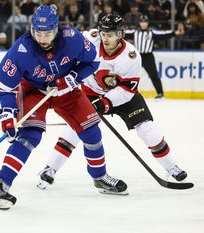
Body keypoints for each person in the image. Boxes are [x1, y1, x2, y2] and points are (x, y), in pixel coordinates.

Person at [0, 5, 128, 210]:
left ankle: (100, 177)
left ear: (56, 29)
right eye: (38, 33)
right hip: (33, 90)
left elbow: (93, 60)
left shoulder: (72, 38)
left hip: (65, 90)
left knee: (92, 132)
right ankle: (0, 187)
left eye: (47, 33)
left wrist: (72, 78)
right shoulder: (21, 49)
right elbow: (4, 87)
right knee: (29, 136)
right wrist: (7, 114)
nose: (42, 38)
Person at [37, 14, 188, 190]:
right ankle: (50, 169)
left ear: (121, 34)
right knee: (74, 128)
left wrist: (106, 102)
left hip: (123, 96)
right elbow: (66, 39)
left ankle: (171, 167)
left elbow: (127, 90)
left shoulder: (131, 56)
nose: (105, 38)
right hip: (90, 93)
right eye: (103, 33)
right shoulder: (91, 39)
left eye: (110, 34)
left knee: (148, 130)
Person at [125, 14, 184, 99]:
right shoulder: (135, 32)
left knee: (154, 75)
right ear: (139, 23)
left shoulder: (152, 32)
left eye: (145, 22)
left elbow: (164, 34)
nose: (143, 24)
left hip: (148, 56)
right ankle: (128, 92)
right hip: (137, 57)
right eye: (142, 22)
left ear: (148, 23)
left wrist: (175, 33)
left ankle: (160, 93)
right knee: (130, 75)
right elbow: (123, 33)